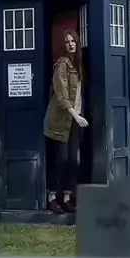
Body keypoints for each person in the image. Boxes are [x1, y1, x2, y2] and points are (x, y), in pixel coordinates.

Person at [44, 29, 88, 215]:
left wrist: (78, 116)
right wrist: (76, 116)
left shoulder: (78, 65)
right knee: (61, 159)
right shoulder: (61, 65)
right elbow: (62, 96)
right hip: (61, 120)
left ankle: (68, 197)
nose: (71, 44)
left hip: (75, 120)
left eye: (73, 41)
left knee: (73, 161)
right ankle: (52, 196)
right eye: (68, 42)